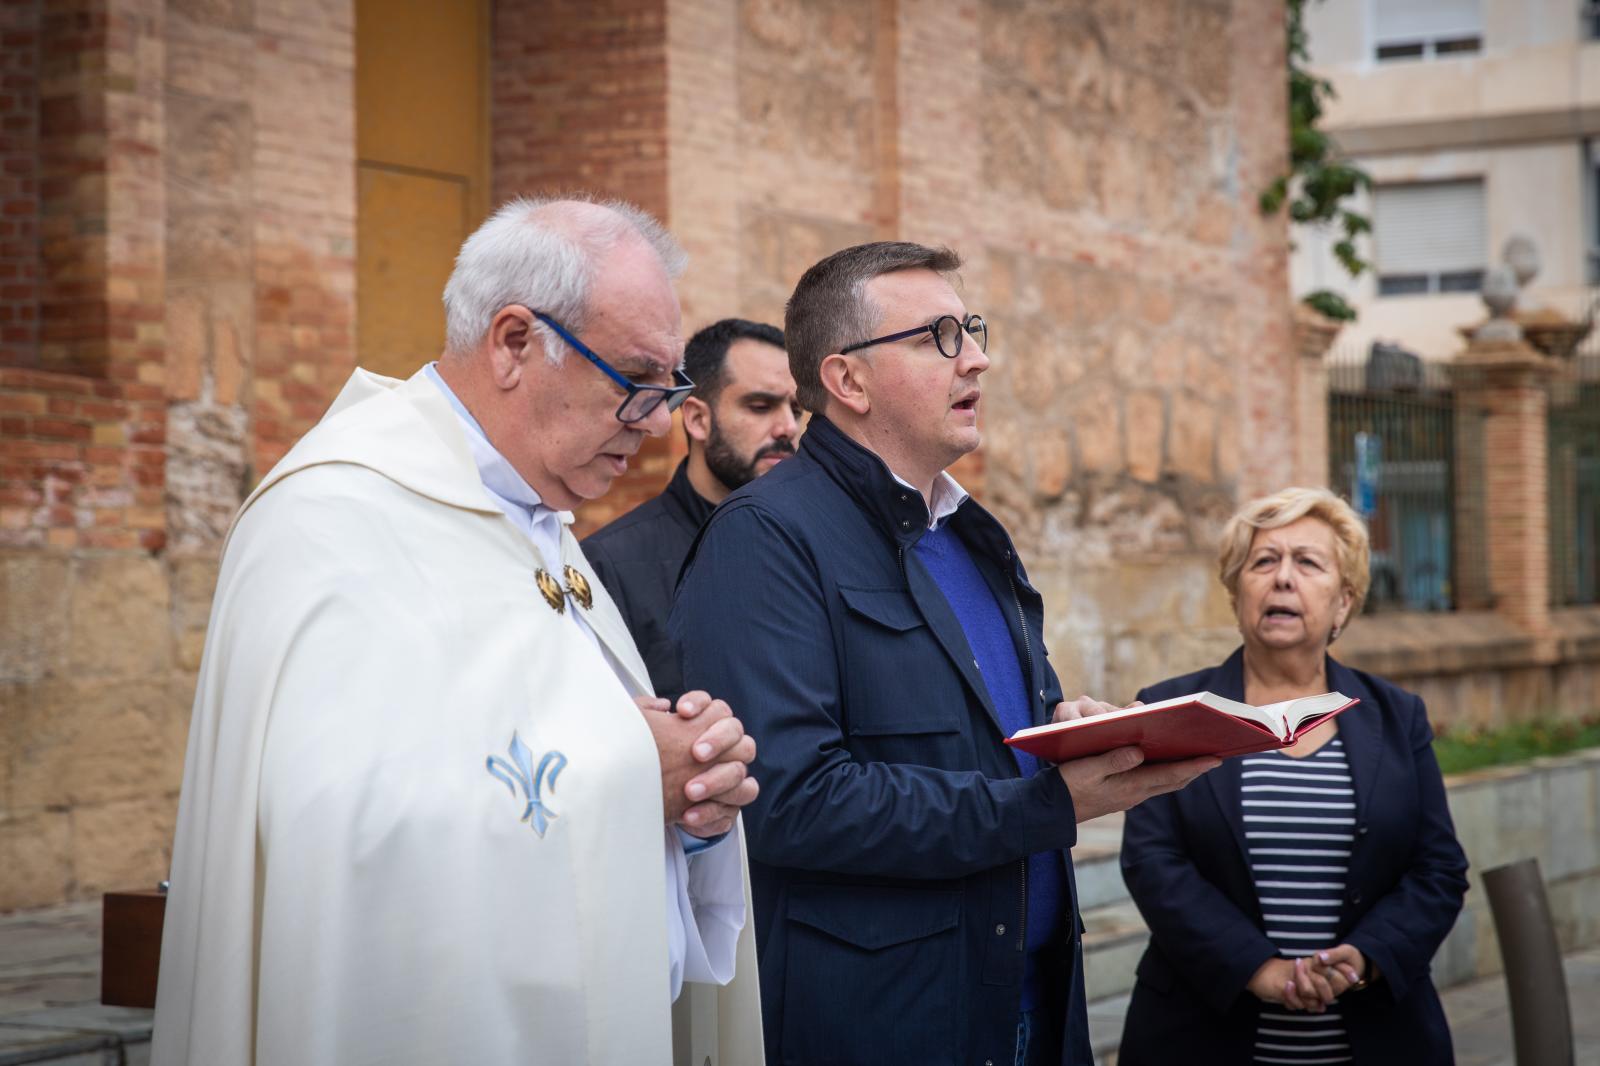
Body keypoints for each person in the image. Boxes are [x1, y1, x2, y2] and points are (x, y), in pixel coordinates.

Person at [152, 197, 765, 1066]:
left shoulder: (539, 520)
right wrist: (636, 774)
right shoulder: (334, 513)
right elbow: (338, 838)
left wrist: (694, 798)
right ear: (515, 342)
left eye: (670, 390)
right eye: (636, 383)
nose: (660, 424)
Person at [669, 241, 1219, 1066]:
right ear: (848, 381)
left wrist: (1069, 729)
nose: (979, 359)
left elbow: (997, 729)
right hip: (887, 1027)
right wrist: (1047, 803)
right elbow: (790, 801)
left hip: (1032, 1006)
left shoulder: (971, 533)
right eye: (941, 338)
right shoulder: (766, 539)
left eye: (973, 329)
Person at [1117, 487, 1469, 1066]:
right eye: (1263, 562)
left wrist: (1365, 956)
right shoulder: (1170, 709)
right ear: (1237, 594)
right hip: (1201, 1036)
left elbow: (1438, 868)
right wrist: (1256, 968)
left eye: (1308, 563)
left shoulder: (1397, 716)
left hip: (1377, 1036)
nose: (1283, 579)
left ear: (1344, 602)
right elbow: (1154, 862)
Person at [583, 317, 800, 701]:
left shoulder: (817, 546)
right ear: (698, 418)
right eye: (761, 406)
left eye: (796, 411)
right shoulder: (609, 565)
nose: (787, 427)